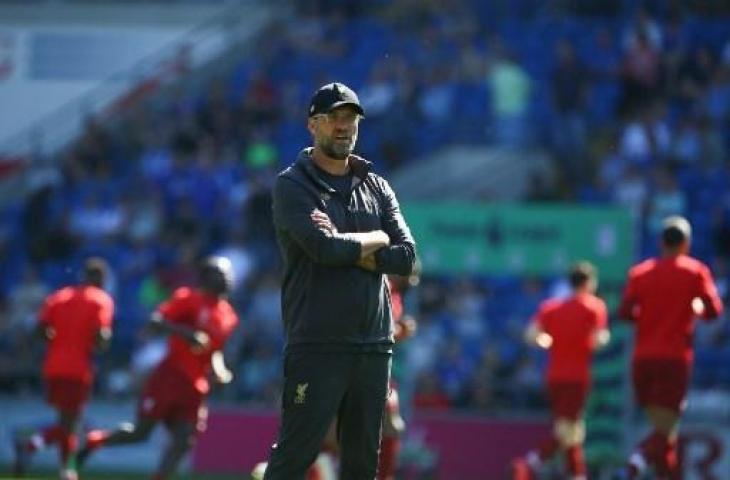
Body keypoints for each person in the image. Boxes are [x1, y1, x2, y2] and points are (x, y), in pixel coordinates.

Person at [263, 82, 417, 480]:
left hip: (373, 346)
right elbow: (324, 248)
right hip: (317, 343)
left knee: (363, 466)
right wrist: (376, 238)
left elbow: (406, 257)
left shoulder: (377, 185)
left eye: (350, 119)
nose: (344, 127)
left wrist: (358, 250)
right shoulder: (292, 184)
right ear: (313, 124)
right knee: (294, 458)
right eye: (334, 118)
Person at [74, 256, 239, 480]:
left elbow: (215, 351)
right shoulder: (188, 299)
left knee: (185, 439)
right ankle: (95, 441)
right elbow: (155, 321)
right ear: (206, 277)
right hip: (170, 377)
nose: (226, 278)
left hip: (195, 386)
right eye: (220, 273)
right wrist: (186, 333)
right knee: (141, 433)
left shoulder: (229, 315)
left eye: (228, 274)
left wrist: (219, 370)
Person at [617, 216, 723, 479]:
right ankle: (635, 462)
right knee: (665, 430)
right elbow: (714, 311)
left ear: (660, 242)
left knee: (665, 432)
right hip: (674, 360)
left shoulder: (640, 273)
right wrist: (693, 308)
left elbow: (625, 313)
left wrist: (648, 314)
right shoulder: (695, 272)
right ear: (686, 243)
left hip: (642, 361)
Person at [13, 257, 114, 480]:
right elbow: (102, 336)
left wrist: (58, 342)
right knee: (71, 423)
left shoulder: (59, 297)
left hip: (53, 366)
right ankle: (29, 445)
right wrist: (99, 344)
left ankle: (66, 471)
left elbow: (40, 329)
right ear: (100, 279)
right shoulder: (100, 300)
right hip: (78, 369)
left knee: (66, 421)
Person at [511, 262, 610, 480]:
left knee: (573, 429)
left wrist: (547, 341)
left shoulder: (552, 307)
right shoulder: (594, 307)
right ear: (589, 282)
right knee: (568, 431)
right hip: (577, 377)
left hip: (554, 377)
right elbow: (599, 339)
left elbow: (531, 335)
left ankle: (577, 475)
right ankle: (529, 463)